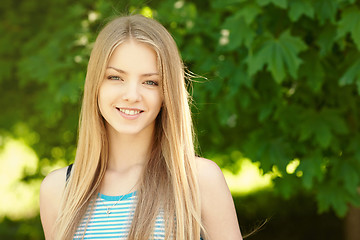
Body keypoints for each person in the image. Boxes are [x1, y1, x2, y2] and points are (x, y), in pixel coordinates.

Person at [39, 14, 242, 240]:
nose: (132, 95)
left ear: (166, 94)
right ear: (96, 84)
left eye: (150, 82)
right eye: (116, 77)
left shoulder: (197, 180)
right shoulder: (58, 190)